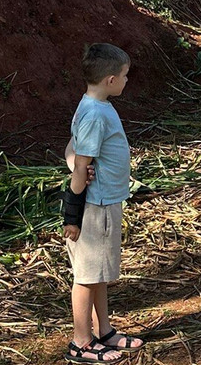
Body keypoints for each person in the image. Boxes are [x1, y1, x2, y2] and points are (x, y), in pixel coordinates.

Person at [63, 43, 144, 363]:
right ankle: (81, 342)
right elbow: (81, 165)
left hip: (105, 203)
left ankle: (104, 330)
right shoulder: (95, 114)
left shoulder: (93, 105)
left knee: (97, 274)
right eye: (125, 76)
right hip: (94, 208)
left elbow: (73, 148)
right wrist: (73, 214)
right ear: (110, 79)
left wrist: (73, 162)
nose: (127, 81)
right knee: (86, 276)